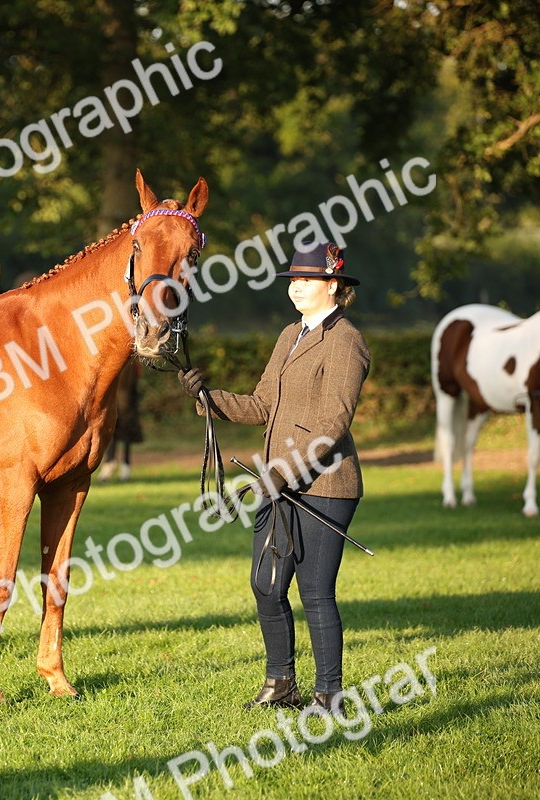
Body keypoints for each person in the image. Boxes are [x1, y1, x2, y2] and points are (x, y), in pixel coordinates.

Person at [177, 242, 370, 713]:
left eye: (307, 279)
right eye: (292, 280)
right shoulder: (289, 335)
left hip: (324, 485)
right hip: (276, 483)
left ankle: (329, 696)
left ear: (334, 285)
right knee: (266, 584)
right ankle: (281, 684)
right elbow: (263, 404)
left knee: (316, 592)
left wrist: (285, 473)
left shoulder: (347, 341)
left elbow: (333, 424)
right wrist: (208, 397)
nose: (297, 286)